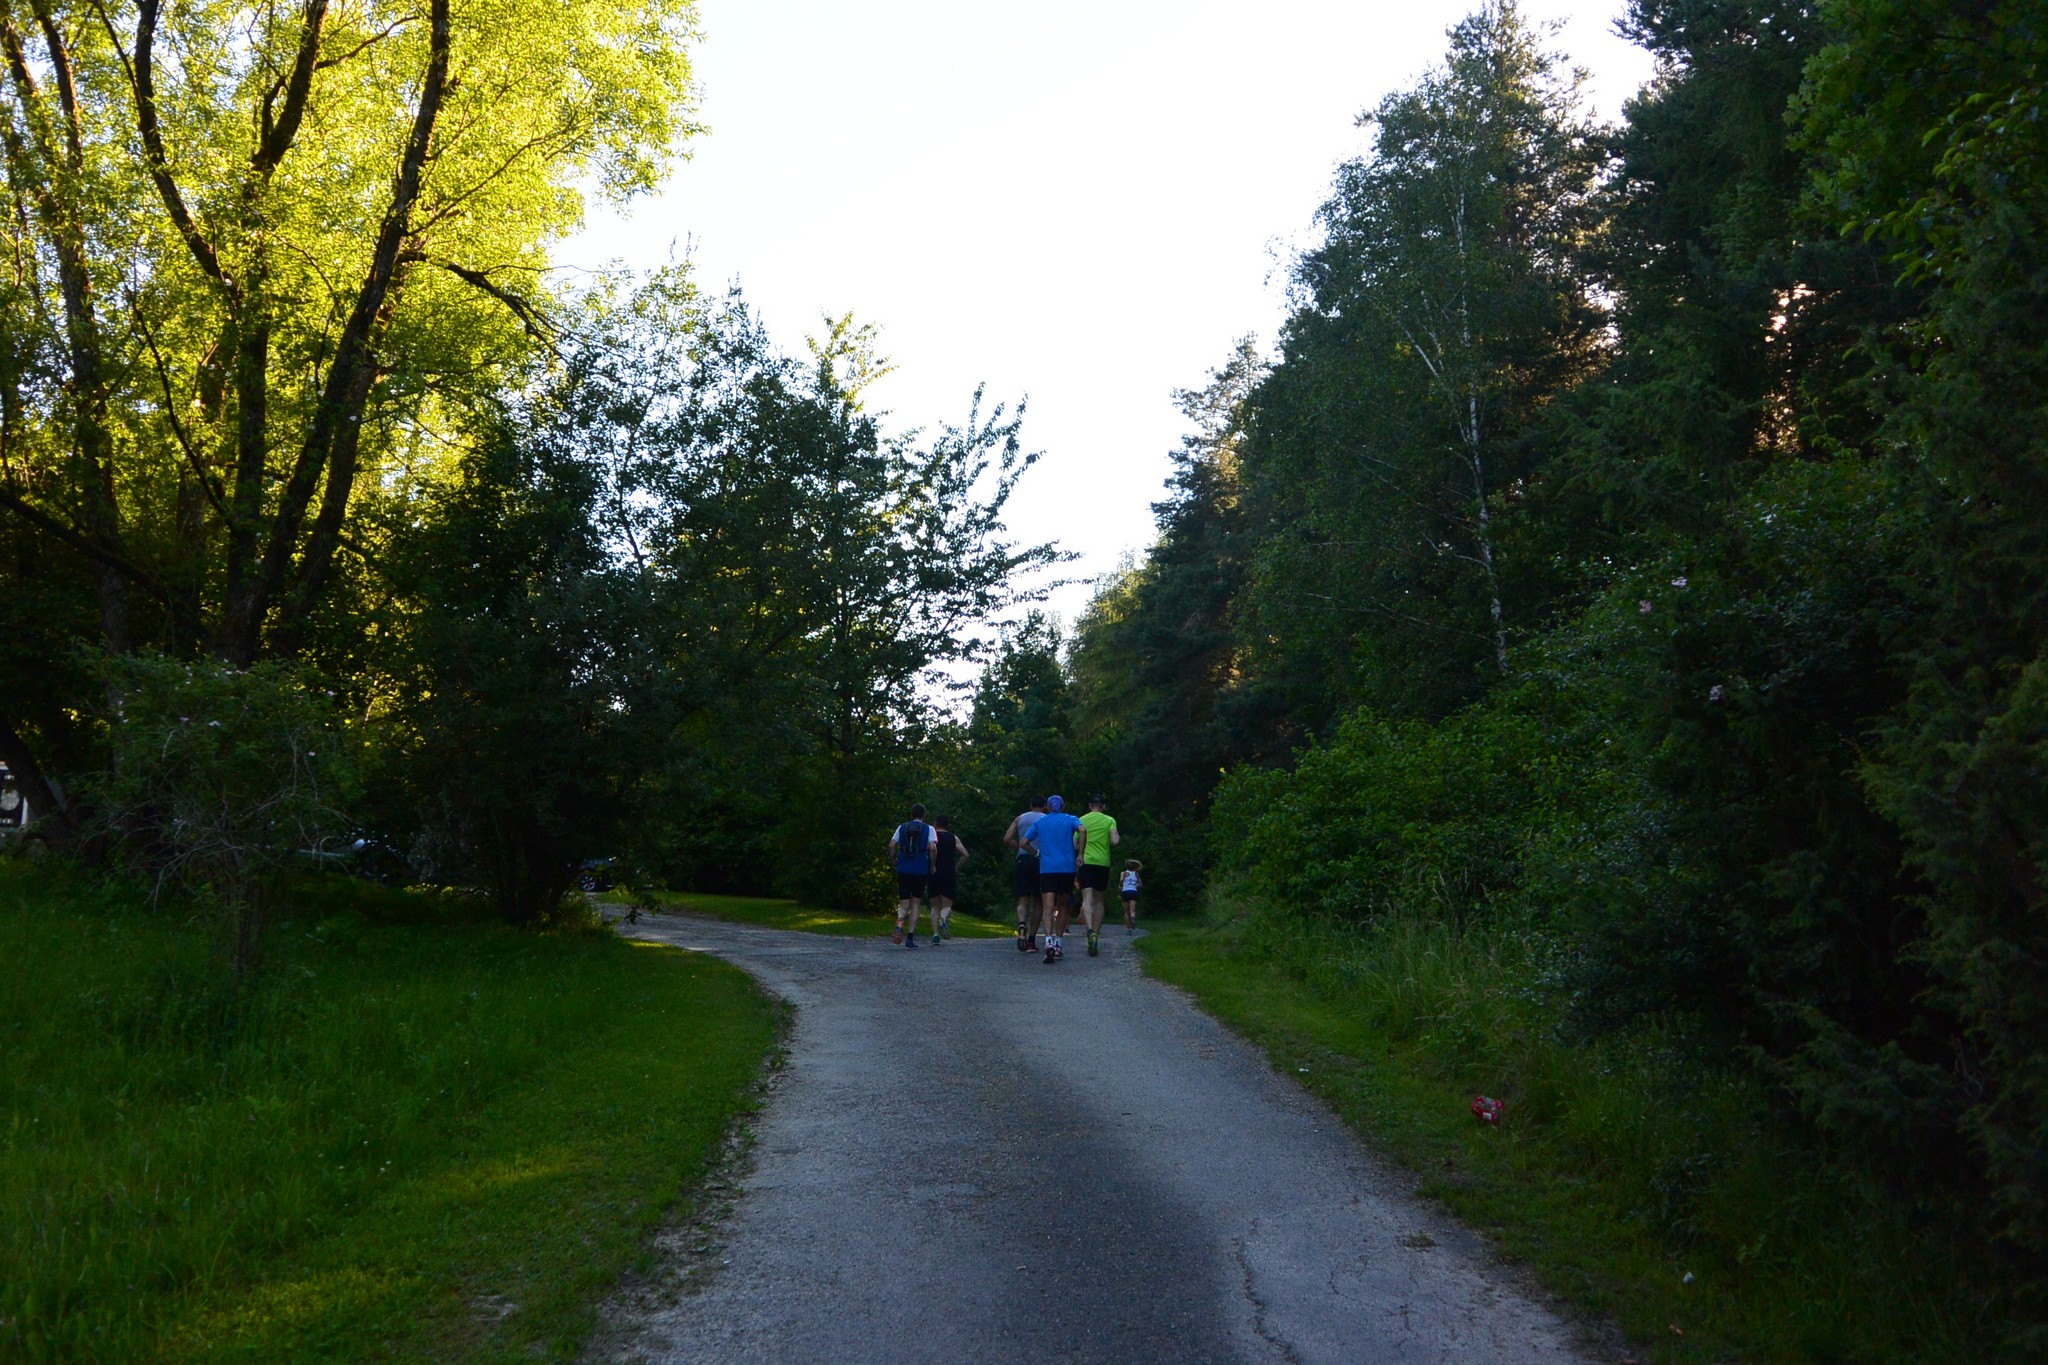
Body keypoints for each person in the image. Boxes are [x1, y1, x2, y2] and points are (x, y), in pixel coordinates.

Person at [1025, 794, 1085, 965]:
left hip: (1047, 868)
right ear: (1063, 807)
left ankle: (1048, 942)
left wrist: (1037, 853)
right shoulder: (1071, 819)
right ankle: (1059, 943)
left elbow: (1023, 842)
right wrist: (1080, 854)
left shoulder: (1041, 822)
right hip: (1066, 868)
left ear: (1048, 807)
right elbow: (1082, 830)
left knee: (1048, 907)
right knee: (1063, 905)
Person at [1076, 794, 1121, 957]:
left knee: (1087, 899)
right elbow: (1115, 841)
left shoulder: (1081, 820)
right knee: (1099, 901)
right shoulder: (1109, 820)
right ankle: (1096, 933)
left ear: (1090, 805)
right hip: (1102, 863)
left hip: (1086, 862)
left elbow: (1075, 844)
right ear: (1104, 806)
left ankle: (1089, 932)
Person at [1002, 795, 1048, 952]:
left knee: (1023, 898)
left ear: (1030, 804)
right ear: (1045, 806)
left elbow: (1007, 839)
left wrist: (1019, 848)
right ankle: (1031, 940)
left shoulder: (1020, 818)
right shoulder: (1046, 819)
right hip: (1041, 860)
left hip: (1023, 859)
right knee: (1038, 901)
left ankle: (1022, 923)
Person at [888, 803, 934, 949]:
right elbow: (933, 848)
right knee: (915, 903)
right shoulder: (929, 829)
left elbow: (891, 845)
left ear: (911, 815)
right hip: (920, 870)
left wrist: (894, 859)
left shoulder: (902, 828)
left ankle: (900, 921)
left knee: (903, 902)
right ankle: (910, 938)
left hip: (903, 869)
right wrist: (932, 865)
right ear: (924, 815)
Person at [927, 814, 968, 945]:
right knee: (947, 905)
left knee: (935, 906)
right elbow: (965, 854)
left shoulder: (931, 837)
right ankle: (943, 918)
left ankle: (935, 934)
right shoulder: (953, 838)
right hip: (948, 872)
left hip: (933, 872)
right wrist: (956, 868)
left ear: (935, 824)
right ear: (947, 825)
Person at [1120, 859, 1143, 934]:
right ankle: (1133, 917)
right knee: (1132, 910)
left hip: (1125, 892)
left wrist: (1121, 885)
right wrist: (1135, 885)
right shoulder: (1136, 874)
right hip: (1133, 892)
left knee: (1126, 912)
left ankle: (1128, 929)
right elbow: (1140, 885)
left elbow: (1121, 881)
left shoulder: (1123, 873)